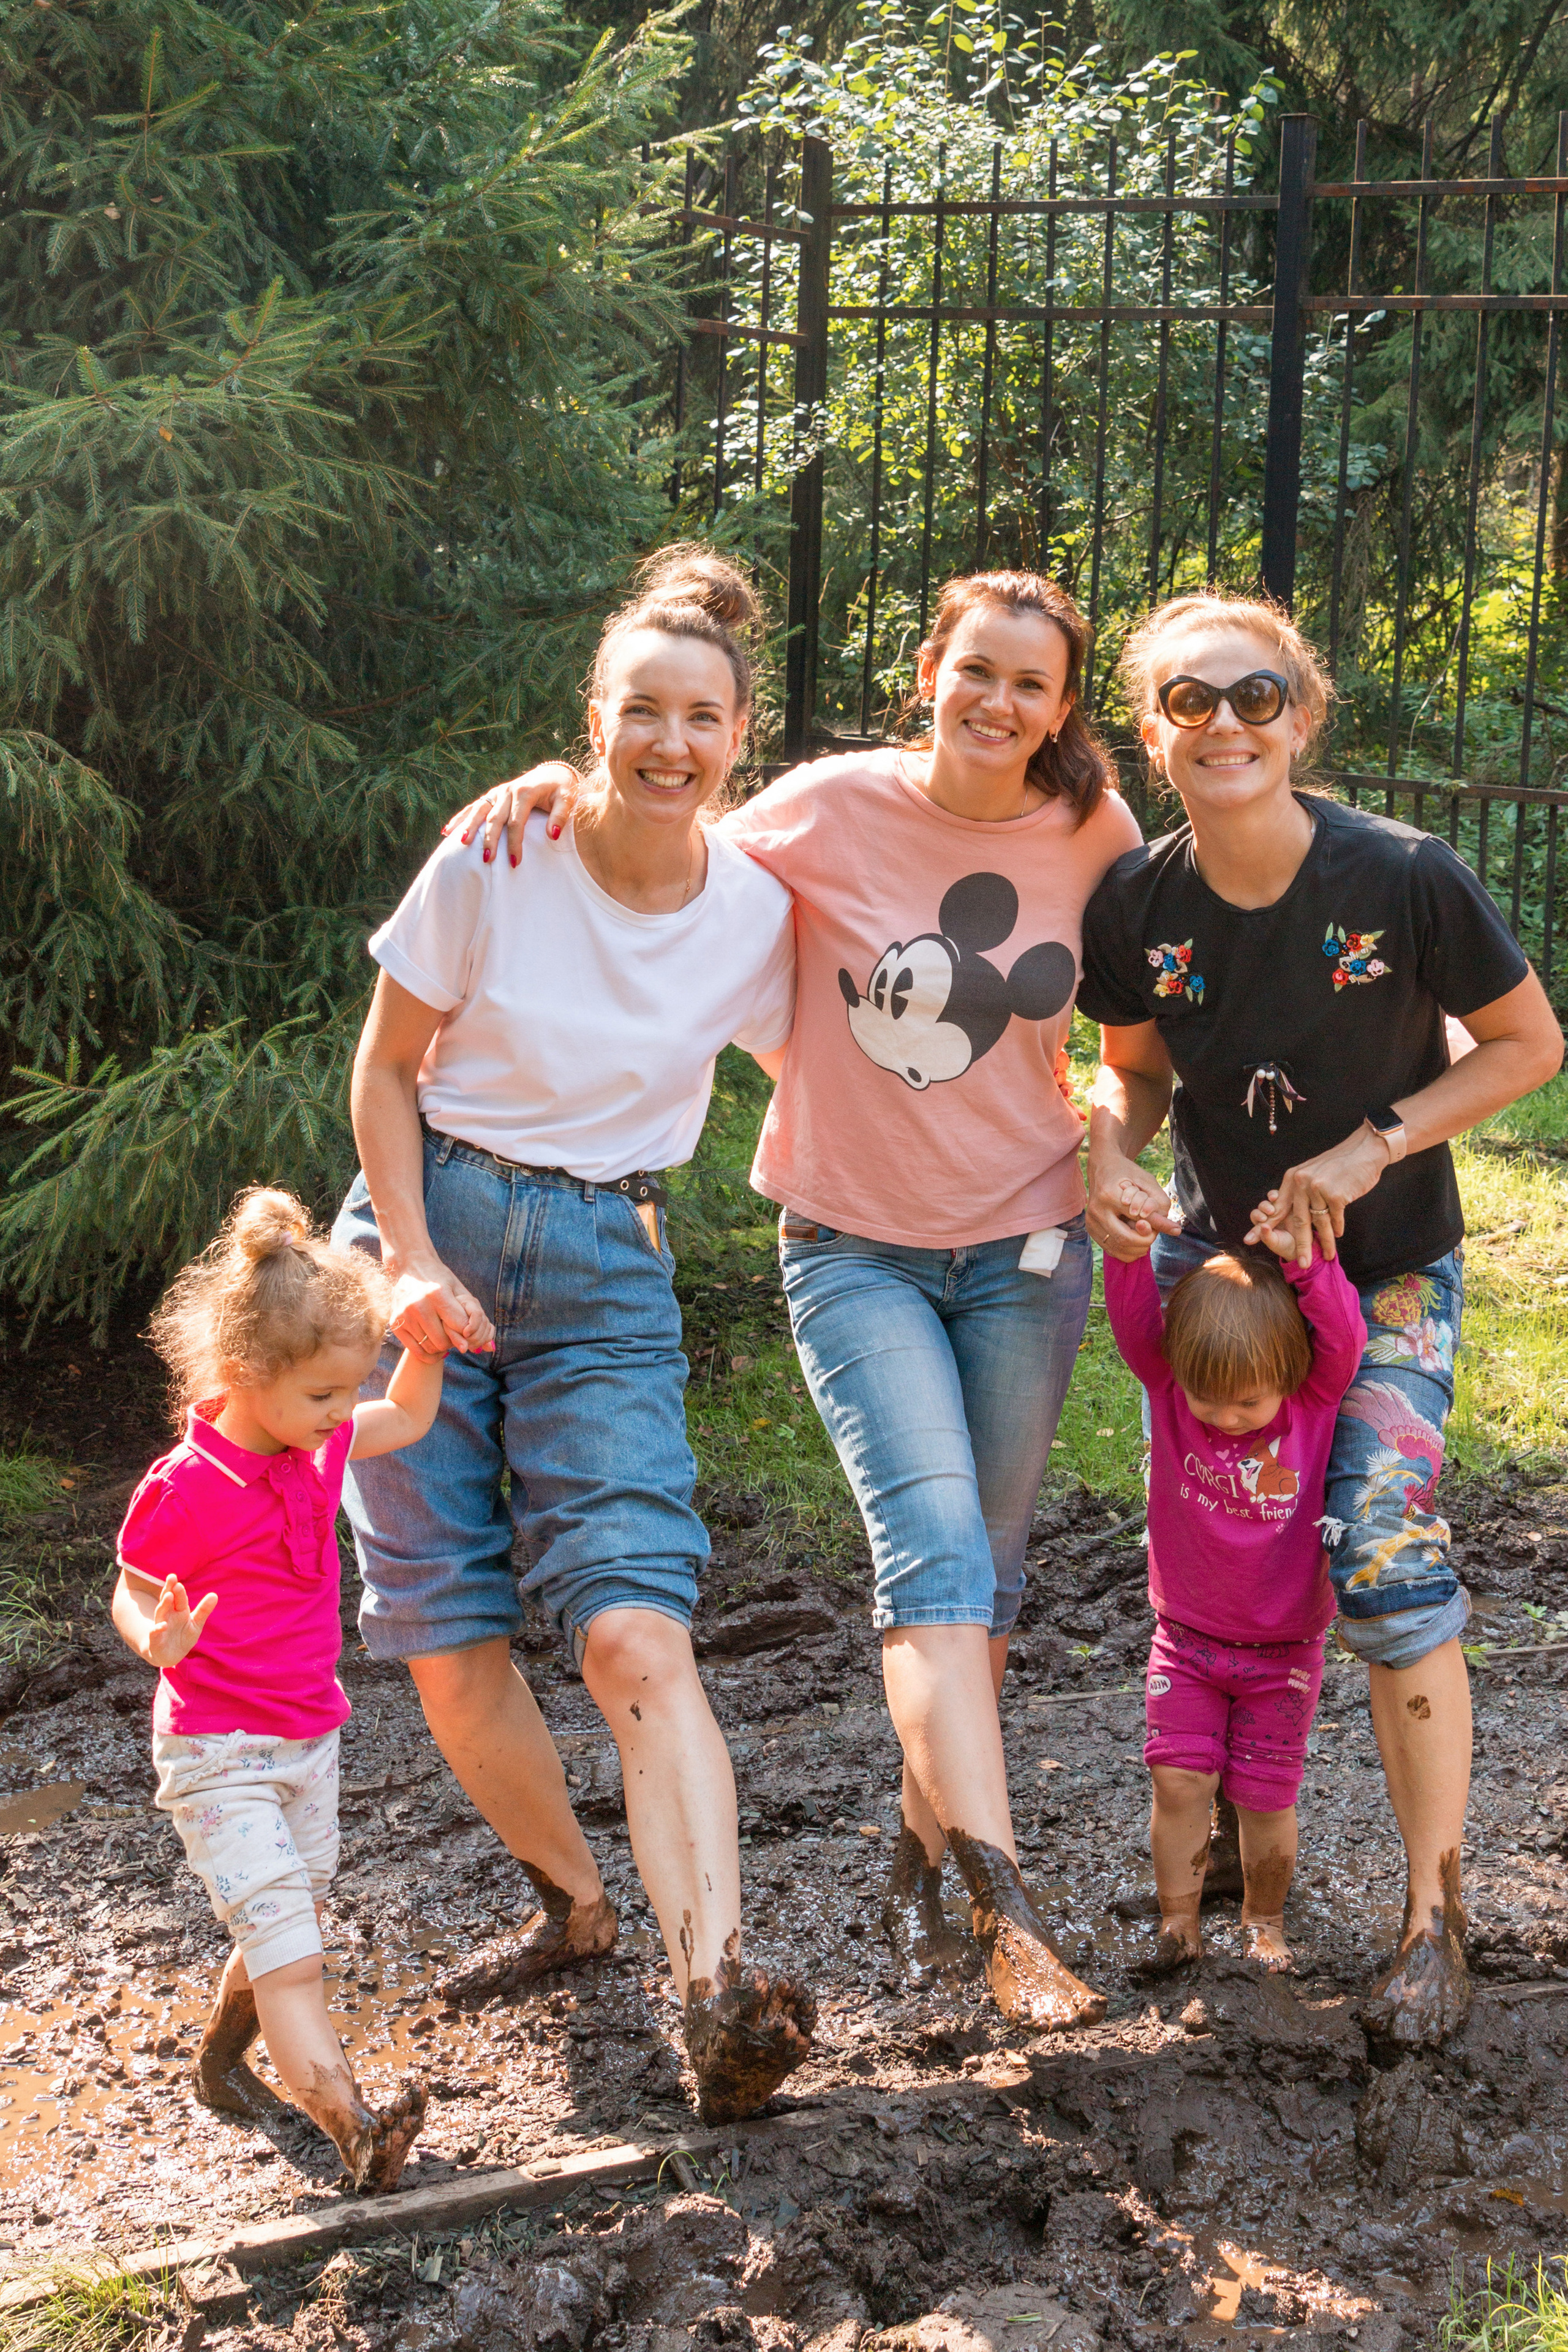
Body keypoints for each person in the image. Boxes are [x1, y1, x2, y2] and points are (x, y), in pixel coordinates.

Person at [448, 568, 1144, 2032]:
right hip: (851, 1245)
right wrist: (543, 785)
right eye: (975, 671)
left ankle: (917, 1860)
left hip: (1025, 1250)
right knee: (934, 1553)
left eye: (1028, 684)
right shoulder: (827, 805)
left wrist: (1107, 1146)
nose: (996, 702)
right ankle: (1004, 1913)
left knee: (988, 1589)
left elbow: (1129, 1053)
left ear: (1061, 706)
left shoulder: (1093, 832)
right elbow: (653, 830)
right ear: (928, 672)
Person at [334, 546, 815, 2125]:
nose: (668, 744)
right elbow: (385, 1070)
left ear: (742, 736)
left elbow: (886, 1037)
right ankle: (573, 1900)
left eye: (700, 718)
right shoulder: (497, 856)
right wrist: (404, 1263)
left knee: (630, 1628)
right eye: (639, 713)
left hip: (608, 1262)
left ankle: (717, 1987)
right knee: (445, 1624)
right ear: (592, 720)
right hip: (427, 1232)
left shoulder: (755, 910)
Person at [1079, 590, 1565, 2045]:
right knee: (1234, 1534)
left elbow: (1530, 1044)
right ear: (1149, 726)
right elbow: (1136, 1074)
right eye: (1185, 699)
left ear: (1301, 713)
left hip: (1388, 1270)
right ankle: (1228, 1837)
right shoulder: (1134, 902)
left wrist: (1375, 1144)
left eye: (1251, 695)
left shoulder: (1404, 876)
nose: (1220, 724)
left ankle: (1432, 1919)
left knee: (1376, 1545)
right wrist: (1108, 1146)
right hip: (1227, 1284)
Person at [110, 1186, 453, 2192]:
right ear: (245, 1377)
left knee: (284, 1927)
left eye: (349, 1391)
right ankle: (356, 2127)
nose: (343, 1414)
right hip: (219, 1751)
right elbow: (127, 1590)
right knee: (295, 1956)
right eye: (322, 1397)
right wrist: (158, 1637)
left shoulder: (322, 1437)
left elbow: (408, 1413)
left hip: (311, 1743)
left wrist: (423, 1344)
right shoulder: (186, 1484)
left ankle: (220, 2063)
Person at [1102, 1213, 1365, 1973]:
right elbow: (1133, 1317)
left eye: (1247, 1404)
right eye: (1206, 1398)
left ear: (1287, 1377)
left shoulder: (1313, 1402)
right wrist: (1126, 1252)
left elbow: (1342, 1334)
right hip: (1183, 1639)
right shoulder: (1167, 1388)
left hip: (1284, 1651)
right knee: (1178, 1778)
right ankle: (1177, 1923)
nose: (1223, 1418)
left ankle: (1264, 1920)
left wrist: (1310, 1262)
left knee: (1263, 1796)